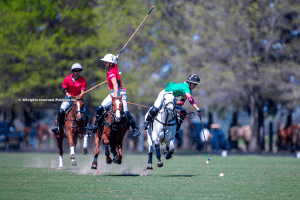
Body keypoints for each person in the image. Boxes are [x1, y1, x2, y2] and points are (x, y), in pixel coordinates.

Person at [87, 54, 141, 137]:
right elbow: (115, 63)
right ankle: (95, 126)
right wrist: (116, 58)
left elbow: (115, 85)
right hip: (113, 93)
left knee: (126, 113)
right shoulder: (114, 67)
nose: (104, 63)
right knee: (99, 108)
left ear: (110, 64)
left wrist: (116, 98)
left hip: (120, 93)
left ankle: (135, 129)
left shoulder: (111, 72)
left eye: (106, 62)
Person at [142, 74, 202, 140]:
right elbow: (191, 100)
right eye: (195, 84)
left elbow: (181, 102)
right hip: (164, 93)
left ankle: (176, 130)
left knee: (183, 112)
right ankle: (146, 122)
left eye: (196, 85)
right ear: (190, 83)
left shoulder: (189, 90)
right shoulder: (186, 87)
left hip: (172, 97)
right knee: (155, 108)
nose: (195, 86)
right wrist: (197, 109)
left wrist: (172, 103)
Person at [51, 63, 89, 135]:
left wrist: (78, 97)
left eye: (78, 71)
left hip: (78, 100)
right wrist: (69, 96)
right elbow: (64, 89)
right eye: (75, 71)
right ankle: (57, 127)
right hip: (68, 99)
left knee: (86, 114)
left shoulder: (83, 80)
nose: (77, 72)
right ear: (72, 71)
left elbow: (82, 92)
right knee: (61, 111)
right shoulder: (67, 79)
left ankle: (86, 129)